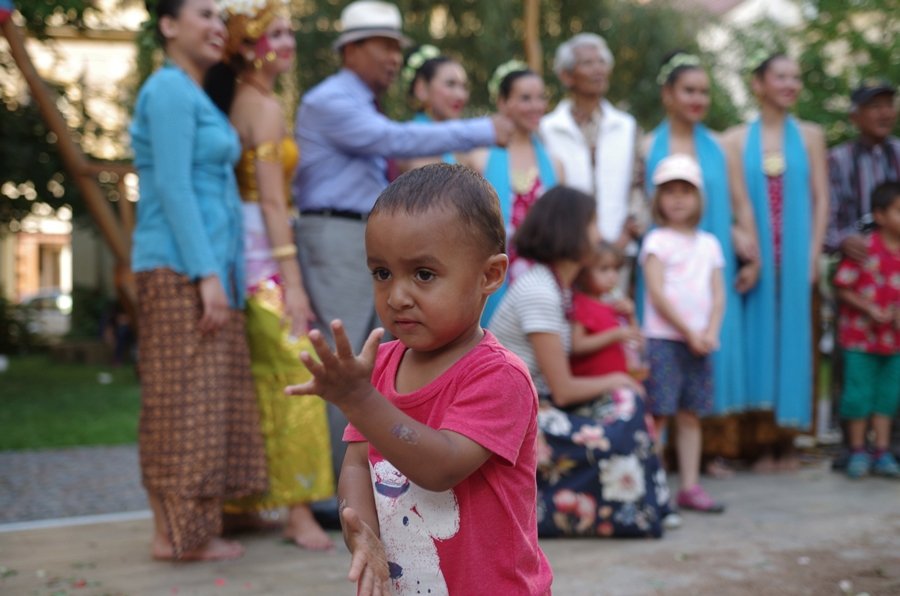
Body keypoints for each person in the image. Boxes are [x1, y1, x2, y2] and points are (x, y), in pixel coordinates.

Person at [285, 164, 553, 594]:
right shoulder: (381, 364)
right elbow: (356, 465)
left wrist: (360, 400)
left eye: (423, 275)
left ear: (490, 276)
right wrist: (362, 532)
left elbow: (441, 466)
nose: (397, 296)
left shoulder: (499, 376)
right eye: (382, 273)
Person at [293, 0, 511, 478]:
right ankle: (343, 487)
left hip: (362, 236)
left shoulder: (356, 101)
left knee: (379, 358)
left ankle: (380, 472)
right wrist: (486, 128)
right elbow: (392, 140)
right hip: (336, 231)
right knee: (350, 360)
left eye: (397, 47)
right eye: (383, 46)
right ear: (350, 50)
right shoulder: (329, 100)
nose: (393, 58)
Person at [129, 0, 267, 561]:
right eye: (203, 14)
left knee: (201, 402)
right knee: (182, 402)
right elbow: (173, 188)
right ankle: (175, 535)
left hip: (209, 271)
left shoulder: (194, 93)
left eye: (220, 15)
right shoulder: (166, 91)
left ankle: (185, 529)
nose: (217, 25)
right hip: (179, 268)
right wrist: (206, 274)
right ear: (167, 25)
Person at [205, 0, 334, 549]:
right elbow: (274, 204)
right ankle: (298, 511)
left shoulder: (235, 102)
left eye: (289, 31)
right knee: (294, 376)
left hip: (242, 258)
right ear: (249, 43)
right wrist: (294, 281)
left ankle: (241, 503)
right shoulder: (262, 109)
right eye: (276, 32)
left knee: (254, 383)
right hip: (263, 264)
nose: (288, 40)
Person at [489, 187, 673, 538]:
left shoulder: (558, 288)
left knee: (627, 402)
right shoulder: (540, 291)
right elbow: (565, 389)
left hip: (539, 405)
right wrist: (618, 380)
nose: (599, 235)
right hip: (516, 418)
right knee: (623, 412)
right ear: (570, 229)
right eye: (592, 224)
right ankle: (624, 512)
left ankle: (645, 507)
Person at [644, 51, 758, 475]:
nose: (698, 98)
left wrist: (749, 247)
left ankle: (699, 457)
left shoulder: (721, 146)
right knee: (663, 370)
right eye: (689, 90)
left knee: (703, 363)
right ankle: (659, 461)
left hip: (708, 259)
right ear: (668, 95)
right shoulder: (647, 144)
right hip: (662, 261)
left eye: (704, 92)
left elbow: (740, 203)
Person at [722, 53, 830, 471]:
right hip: (757, 261)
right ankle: (758, 443)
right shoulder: (733, 139)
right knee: (757, 343)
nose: (790, 84)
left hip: (798, 255)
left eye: (796, 77)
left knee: (796, 345)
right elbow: (730, 202)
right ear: (758, 83)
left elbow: (821, 198)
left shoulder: (811, 136)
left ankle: (789, 441)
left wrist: (814, 254)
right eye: (781, 76)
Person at [641, 154, 726, 512]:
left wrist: (709, 331)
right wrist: (689, 330)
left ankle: (690, 486)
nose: (677, 198)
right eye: (669, 191)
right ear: (658, 199)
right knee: (658, 414)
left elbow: (719, 293)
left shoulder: (709, 244)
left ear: (699, 198)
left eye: (686, 191)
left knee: (691, 415)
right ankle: (654, 488)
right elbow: (657, 293)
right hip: (665, 340)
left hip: (699, 342)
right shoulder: (656, 241)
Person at [540, 33, 646, 286]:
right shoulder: (547, 129)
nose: (597, 69)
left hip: (616, 255)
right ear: (566, 76)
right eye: (587, 63)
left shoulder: (626, 126)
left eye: (601, 62)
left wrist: (623, 238)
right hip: (565, 254)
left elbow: (639, 184)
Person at [462, 61, 562, 324]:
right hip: (492, 273)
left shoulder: (555, 163)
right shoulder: (478, 158)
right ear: (503, 102)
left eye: (541, 98)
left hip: (543, 278)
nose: (536, 106)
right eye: (525, 98)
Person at [832, 181, 900, 479]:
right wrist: (868, 308)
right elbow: (842, 287)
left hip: (894, 342)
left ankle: (882, 451)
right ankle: (858, 450)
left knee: (888, 396)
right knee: (858, 395)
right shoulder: (864, 248)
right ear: (880, 215)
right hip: (860, 339)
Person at [826, 81, 899, 258]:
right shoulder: (837, 159)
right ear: (854, 117)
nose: (885, 113)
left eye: (889, 105)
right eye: (875, 106)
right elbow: (825, 214)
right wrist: (842, 240)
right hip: (857, 261)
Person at [569, 242, 644, 379]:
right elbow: (577, 345)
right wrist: (615, 335)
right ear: (583, 273)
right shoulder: (580, 303)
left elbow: (637, 343)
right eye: (604, 269)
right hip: (594, 386)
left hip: (619, 382)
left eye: (616, 269)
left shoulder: (614, 305)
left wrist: (631, 316)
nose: (612, 276)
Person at [395, 44, 470, 173]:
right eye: (450, 84)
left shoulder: (454, 139)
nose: (461, 95)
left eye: (464, 87)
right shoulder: (416, 138)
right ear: (422, 88)